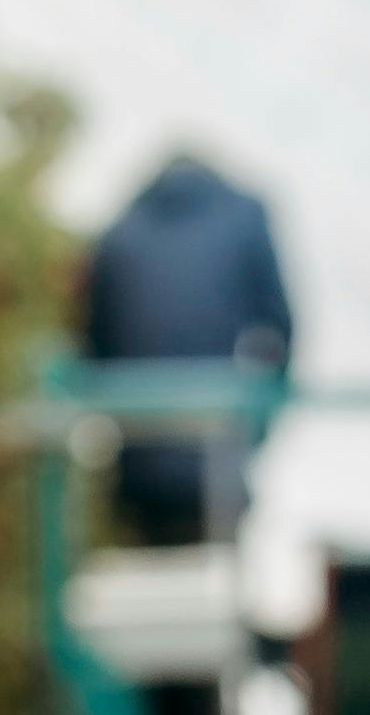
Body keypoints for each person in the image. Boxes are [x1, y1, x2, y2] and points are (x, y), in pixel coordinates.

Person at [80, 151, 295, 546]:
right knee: (219, 566)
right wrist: (257, 428)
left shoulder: (117, 232)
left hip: (136, 474)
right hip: (217, 463)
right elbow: (281, 329)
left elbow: (93, 350)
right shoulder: (246, 217)